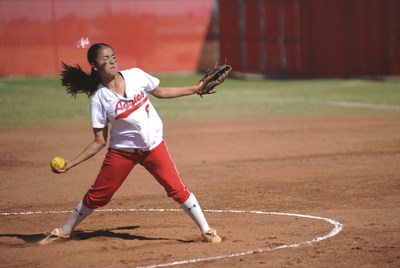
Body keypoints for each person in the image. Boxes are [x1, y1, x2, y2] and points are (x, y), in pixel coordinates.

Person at [48, 43, 221, 243]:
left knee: (177, 188)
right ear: (94, 65)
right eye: (105, 59)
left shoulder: (135, 75)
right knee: (99, 196)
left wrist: (196, 88)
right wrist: (71, 163)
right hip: (122, 153)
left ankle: (206, 230)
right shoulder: (100, 100)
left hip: (154, 148)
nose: (111, 60)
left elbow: (161, 92)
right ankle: (65, 230)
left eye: (113, 56)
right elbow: (99, 141)